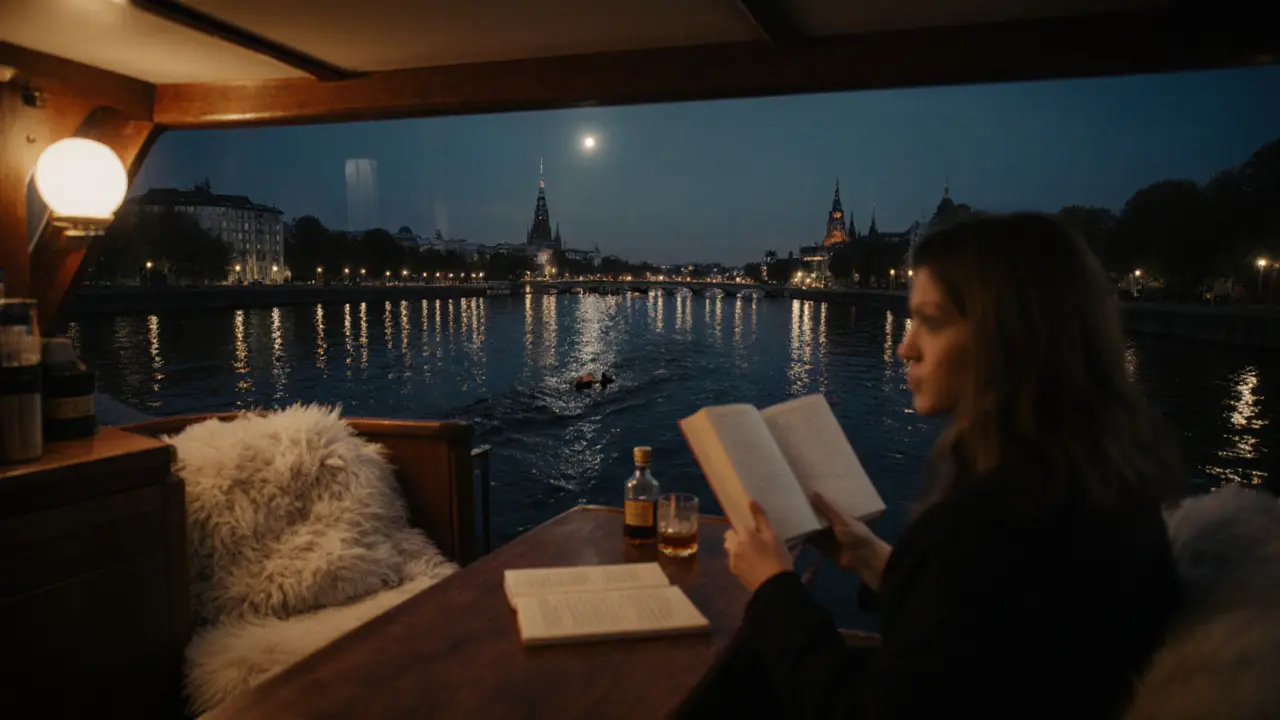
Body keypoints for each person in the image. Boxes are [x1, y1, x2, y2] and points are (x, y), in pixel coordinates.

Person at [678, 213, 1185, 719]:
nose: (905, 348)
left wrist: (771, 586)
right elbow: (987, 635)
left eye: (932, 321)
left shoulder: (989, 525)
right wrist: (873, 559)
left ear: (1010, 334)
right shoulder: (1093, 487)